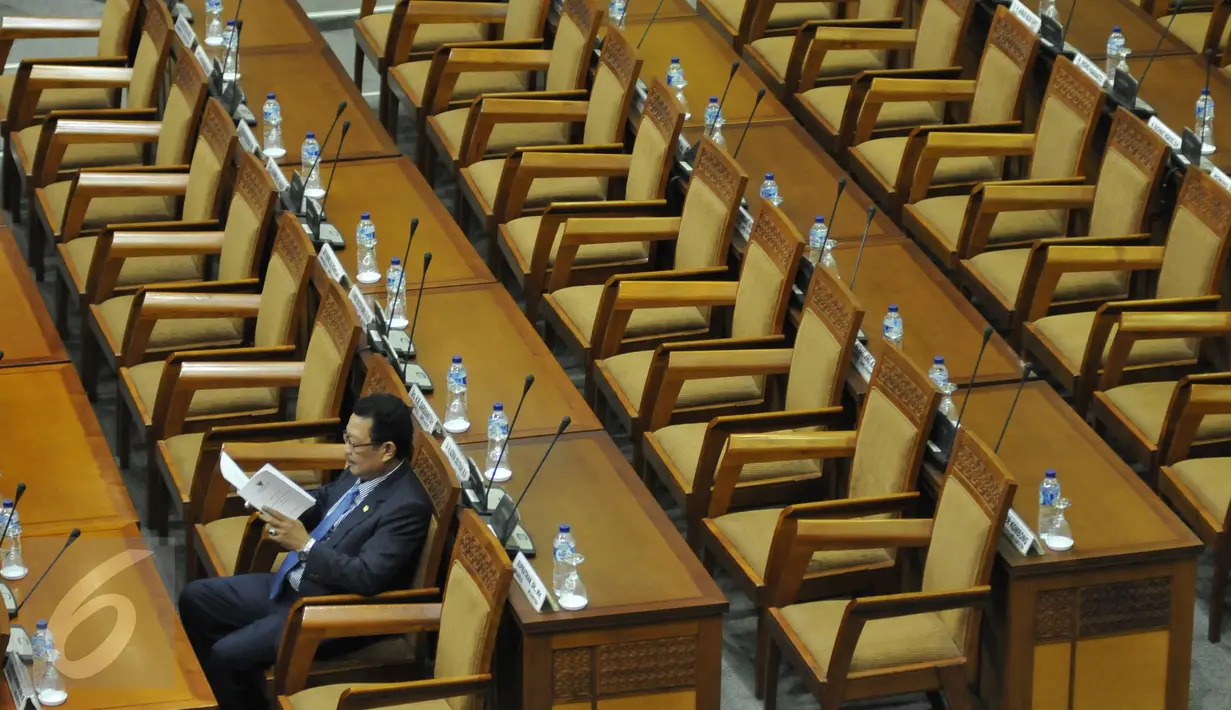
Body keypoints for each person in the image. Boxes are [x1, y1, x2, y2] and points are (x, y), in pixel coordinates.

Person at [179, 394, 430, 710]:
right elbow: (326, 501)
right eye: (345, 440)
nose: (346, 451)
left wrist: (304, 545)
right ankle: (239, 692)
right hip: (292, 585)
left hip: (325, 610)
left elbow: (367, 577)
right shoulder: (362, 467)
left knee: (226, 655)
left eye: (354, 444)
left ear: (387, 450)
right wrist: (276, 501)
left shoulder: (405, 506)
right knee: (196, 599)